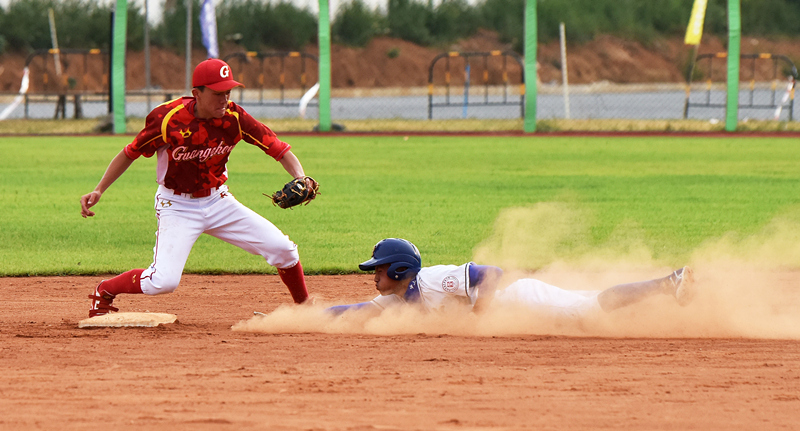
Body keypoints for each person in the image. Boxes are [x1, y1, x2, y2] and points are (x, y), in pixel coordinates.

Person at [80, 58, 313, 318]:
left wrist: (301, 177)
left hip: (219, 201)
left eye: (228, 92)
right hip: (177, 205)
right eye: (217, 93)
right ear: (196, 94)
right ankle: (105, 290)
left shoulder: (235, 117)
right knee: (163, 282)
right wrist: (100, 189)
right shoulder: (168, 118)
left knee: (284, 250)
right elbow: (129, 153)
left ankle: (306, 309)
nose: (224, 99)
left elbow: (279, 149)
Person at [326, 238, 696, 319]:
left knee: (591, 308)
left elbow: (493, 273)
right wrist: (293, 316)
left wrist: (480, 314)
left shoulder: (434, 280)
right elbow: (357, 311)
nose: (373, 274)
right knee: (591, 316)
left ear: (399, 270)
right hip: (527, 310)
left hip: (524, 300)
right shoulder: (397, 297)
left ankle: (668, 282)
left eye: (378, 267)